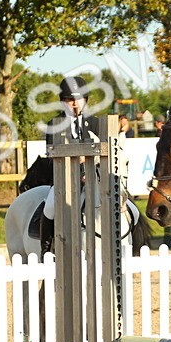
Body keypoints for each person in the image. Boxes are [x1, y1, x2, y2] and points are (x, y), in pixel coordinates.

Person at [39, 76, 101, 256]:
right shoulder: (54, 124)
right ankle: (47, 249)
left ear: (85, 100)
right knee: (50, 205)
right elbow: (51, 156)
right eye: (70, 99)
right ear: (63, 101)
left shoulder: (95, 123)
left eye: (78, 99)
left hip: (94, 180)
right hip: (63, 179)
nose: (75, 103)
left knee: (125, 205)